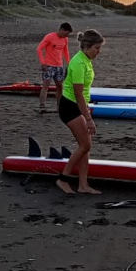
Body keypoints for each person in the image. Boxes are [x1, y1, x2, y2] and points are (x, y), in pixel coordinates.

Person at [55, 29, 105, 195]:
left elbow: (84, 93)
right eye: (96, 48)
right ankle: (63, 179)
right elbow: (78, 94)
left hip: (78, 106)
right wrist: (88, 118)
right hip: (70, 106)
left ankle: (83, 185)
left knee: (85, 147)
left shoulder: (86, 60)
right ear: (87, 46)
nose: (98, 52)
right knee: (85, 145)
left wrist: (87, 111)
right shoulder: (78, 62)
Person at [37, 22, 73, 112]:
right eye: (66, 33)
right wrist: (43, 63)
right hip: (48, 66)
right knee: (46, 86)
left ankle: (59, 106)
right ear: (61, 30)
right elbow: (39, 49)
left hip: (59, 66)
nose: (67, 35)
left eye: (68, 34)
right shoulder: (50, 36)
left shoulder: (65, 39)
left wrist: (69, 64)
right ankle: (42, 106)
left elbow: (66, 52)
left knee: (60, 86)